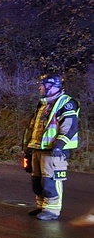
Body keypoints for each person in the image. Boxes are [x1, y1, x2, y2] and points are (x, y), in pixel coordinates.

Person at [22, 74, 80, 221]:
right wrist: (28, 147)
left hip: (53, 151)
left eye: (42, 85)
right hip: (38, 148)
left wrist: (59, 146)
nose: (39, 87)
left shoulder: (66, 103)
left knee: (51, 180)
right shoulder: (43, 104)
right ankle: (42, 206)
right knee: (37, 181)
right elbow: (34, 127)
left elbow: (69, 127)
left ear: (52, 86)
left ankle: (52, 210)